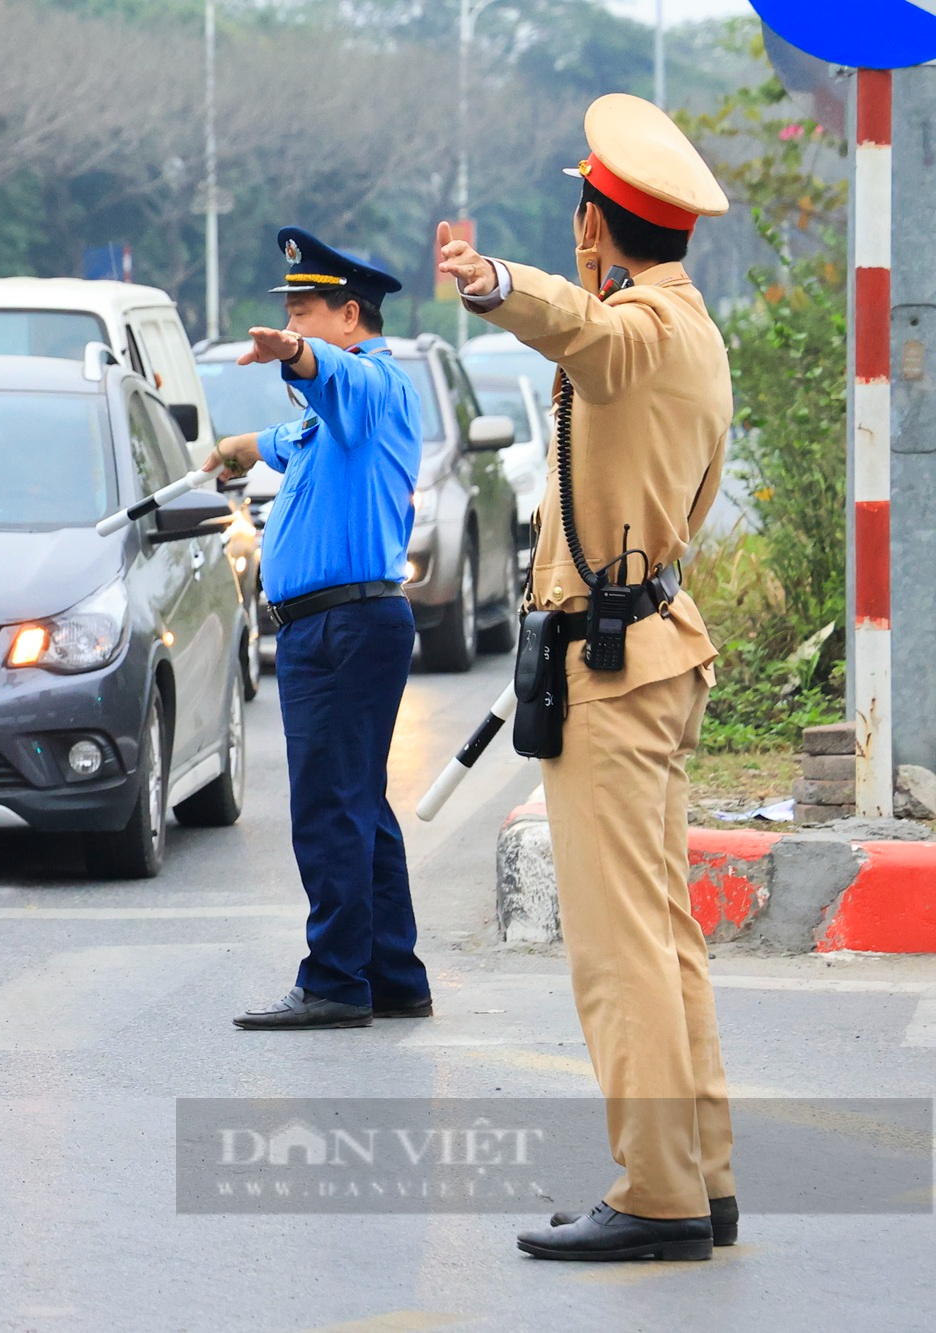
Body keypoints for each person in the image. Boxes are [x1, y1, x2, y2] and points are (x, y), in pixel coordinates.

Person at [437, 93, 736, 1262]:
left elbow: (585, 337)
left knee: (619, 952)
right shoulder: (688, 322)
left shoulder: (641, 332)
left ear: (589, 225)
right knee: (660, 937)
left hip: (614, 670)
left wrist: (489, 281)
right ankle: (695, 1177)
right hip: (646, 645)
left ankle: (656, 1193)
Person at [210, 228, 431, 1033]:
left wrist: (300, 357)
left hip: (342, 626)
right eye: (289, 315)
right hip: (342, 625)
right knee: (359, 802)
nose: (292, 327)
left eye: (305, 312)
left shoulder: (373, 384)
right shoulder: (324, 421)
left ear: (349, 315)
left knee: (328, 807)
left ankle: (335, 976)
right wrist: (236, 448)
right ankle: (391, 971)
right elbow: (286, 440)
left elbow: (334, 379)